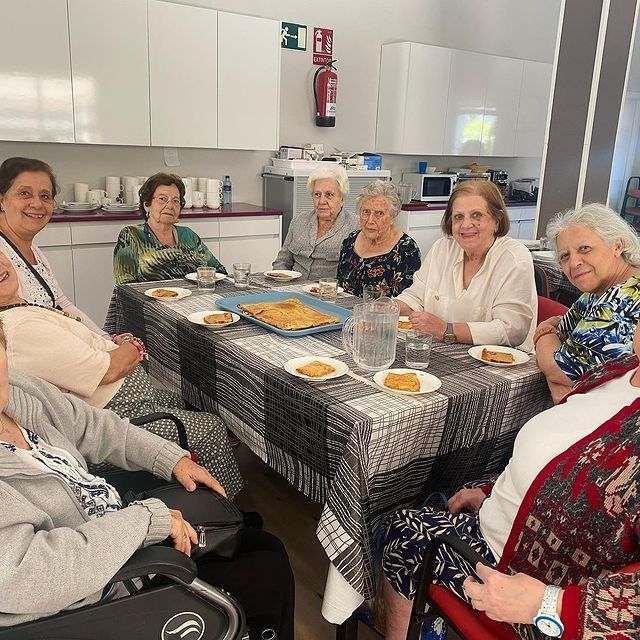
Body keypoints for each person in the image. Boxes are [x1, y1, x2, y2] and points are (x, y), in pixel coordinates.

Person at [0, 346, 294, 638]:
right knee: (265, 568)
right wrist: (146, 521)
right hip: (98, 591)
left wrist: (170, 458)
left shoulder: (20, 390)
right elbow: (25, 576)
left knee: (255, 540)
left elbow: (95, 426)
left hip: (116, 531)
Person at [381, 321, 640, 640]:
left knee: (404, 533)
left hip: (529, 591)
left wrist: (550, 604)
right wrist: (495, 490)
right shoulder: (619, 371)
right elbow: (561, 449)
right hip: (501, 531)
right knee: (416, 506)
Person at [0, 252, 242, 497]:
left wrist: (110, 344)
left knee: (186, 399)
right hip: (116, 411)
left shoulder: (21, 309)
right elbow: (108, 370)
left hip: (124, 399)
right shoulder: (18, 329)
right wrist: (131, 346)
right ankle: (226, 509)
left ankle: (198, 491)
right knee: (211, 428)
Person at [396, 181, 537, 349]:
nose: (466, 225)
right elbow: (415, 297)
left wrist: (445, 329)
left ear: (497, 221)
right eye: (458, 217)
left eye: (477, 215)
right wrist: (383, 309)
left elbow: (512, 329)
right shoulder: (443, 248)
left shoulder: (514, 258)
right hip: (444, 354)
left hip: (501, 363)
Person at [535, 203, 640, 403]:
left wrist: (543, 332)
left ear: (617, 246)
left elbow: (559, 368)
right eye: (565, 256)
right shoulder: (598, 291)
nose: (574, 263)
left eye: (585, 249)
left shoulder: (623, 298)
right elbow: (563, 334)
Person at [0, 156, 102, 332]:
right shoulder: (2, 258)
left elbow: (61, 302)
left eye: (45, 196)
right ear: (2, 200)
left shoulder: (33, 251)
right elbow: (20, 331)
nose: (37, 203)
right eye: (24, 193)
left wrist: (104, 338)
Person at [113, 173, 226, 284]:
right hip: (147, 301)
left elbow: (219, 271)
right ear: (147, 204)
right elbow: (125, 287)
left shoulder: (188, 235)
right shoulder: (131, 235)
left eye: (176, 201)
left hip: (191, 299)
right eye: (162, 199)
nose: (170, 205)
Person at [272, 165, 358, 280]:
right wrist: (280, 283)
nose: (322, 201)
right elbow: (282, 261)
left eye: (329, 195)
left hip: (329, 292)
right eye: (317, 195)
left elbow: (354, 274)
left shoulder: (356, 226)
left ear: (342, 198)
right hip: (292, 289)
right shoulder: (299, 221)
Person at [336, 180, 421, 297]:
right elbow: (339, 289)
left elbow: (407, 300)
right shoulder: (350, 241)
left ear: (393, 217)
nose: (370, 220)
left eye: (379, 214)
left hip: (383, 315)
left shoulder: (407, 250)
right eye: (365, 212)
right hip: (343, 313)